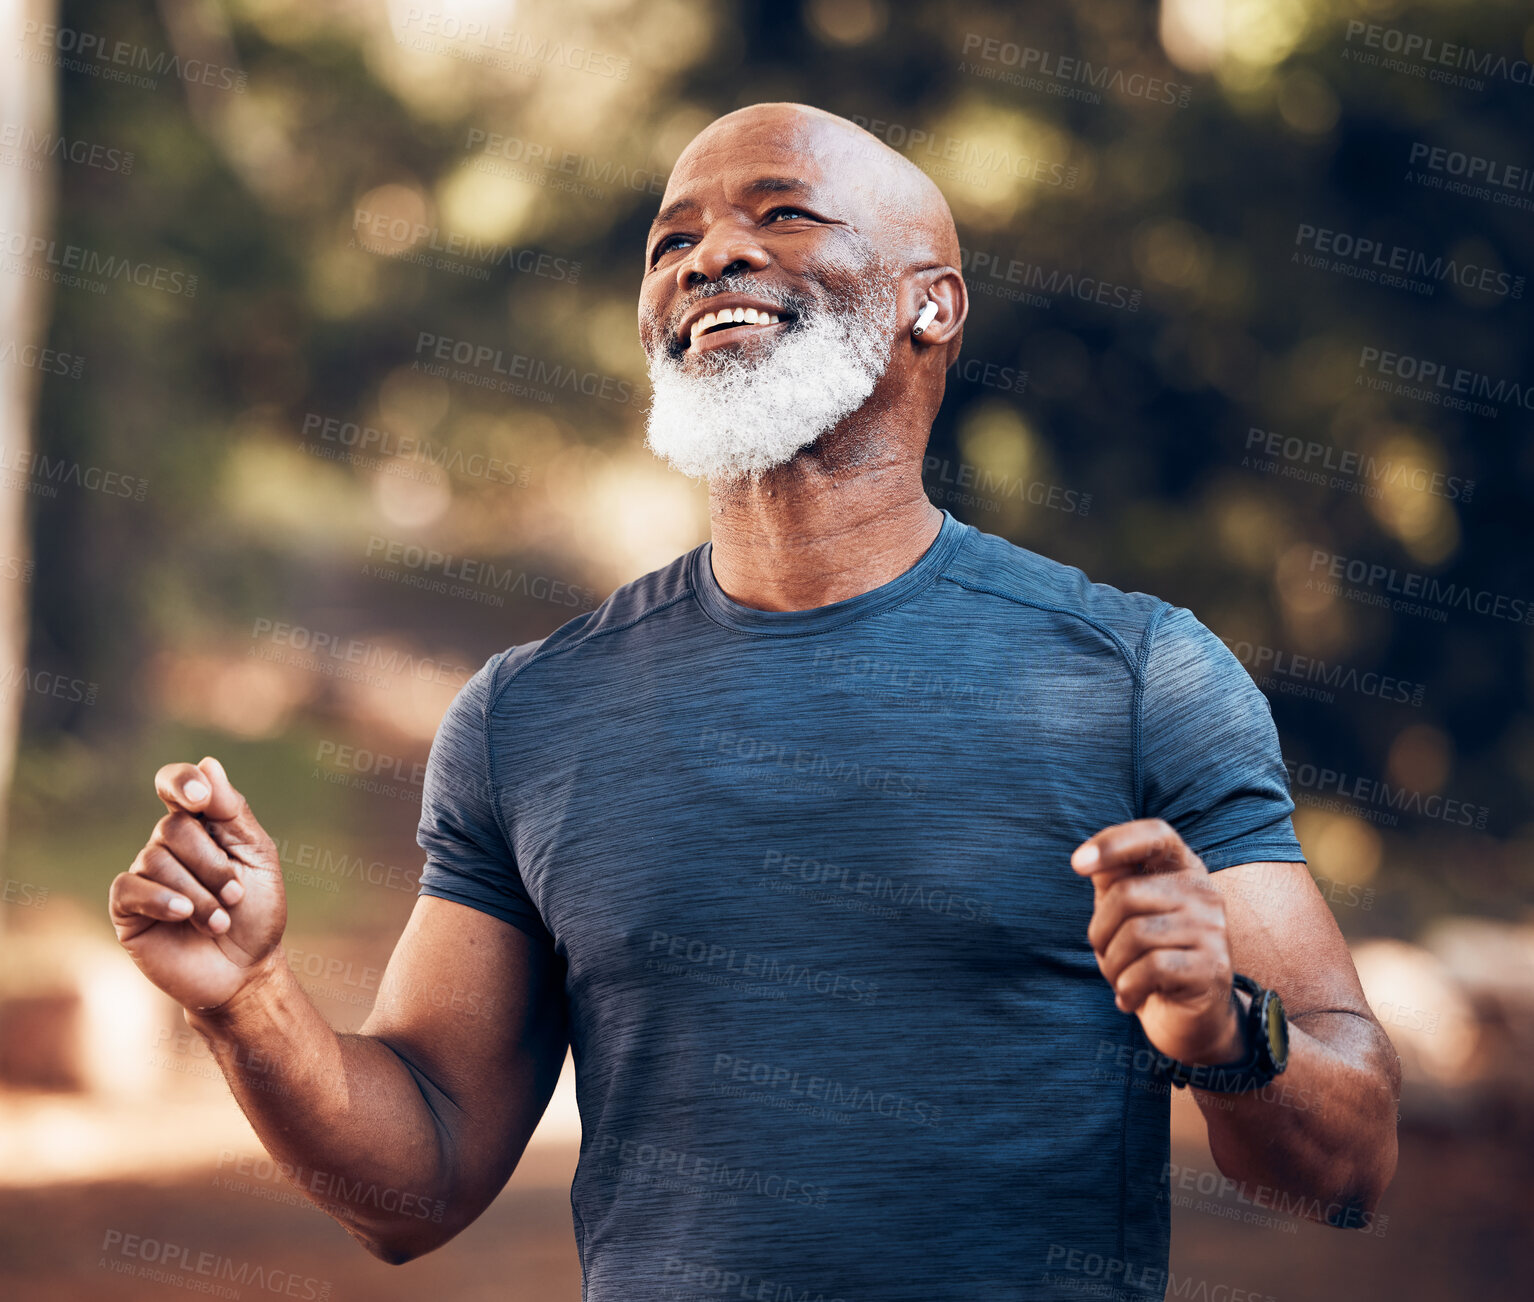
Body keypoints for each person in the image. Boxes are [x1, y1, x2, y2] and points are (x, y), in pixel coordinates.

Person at [110, 103, 1400, 1301]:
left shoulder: (1139, 677)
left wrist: (1225, 1031)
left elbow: (1349, 1165)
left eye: (781, 214)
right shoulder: (531, 717)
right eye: (673, 237)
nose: (709, 253)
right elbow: (416, 1182)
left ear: (931, 304)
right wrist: (250, 1000)